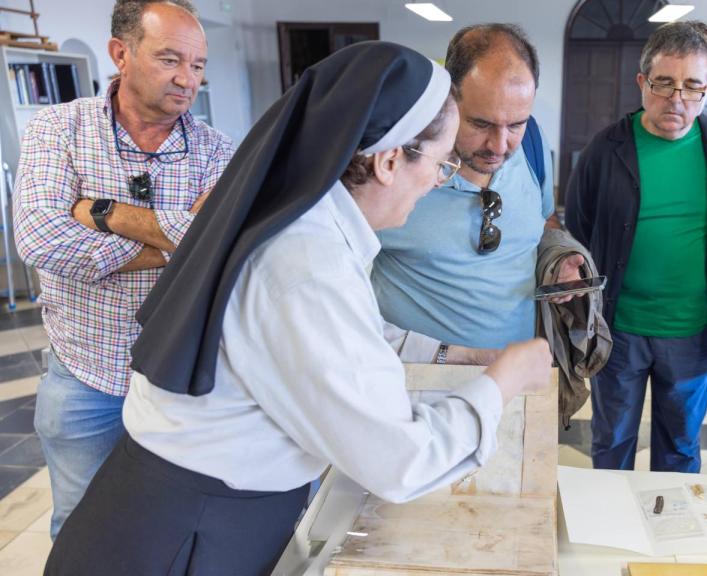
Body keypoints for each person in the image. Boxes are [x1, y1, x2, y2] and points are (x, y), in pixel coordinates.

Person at [43, 41, 552, 575]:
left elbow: (350, 335)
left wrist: (457, 353)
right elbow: (400, 460)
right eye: (443, 163)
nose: (437, 181)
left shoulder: (302, 222)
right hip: (184, 533)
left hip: (177, 508)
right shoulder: (308, 262)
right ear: (389, 160)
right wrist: (502, 383)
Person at [13, 0, 232, 538]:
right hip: (86, 376)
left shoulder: (216, 150)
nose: (188, 79)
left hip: (185, 377)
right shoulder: (59, 129)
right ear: (121, 54)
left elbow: (224, 244)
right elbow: (39, 238)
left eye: (199, 65)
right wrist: (174, 241)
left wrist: (102, 214)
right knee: (83, 528)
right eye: (170, 59)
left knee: (174, 527)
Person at [564, 21, 707, 472]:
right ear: (642, 82)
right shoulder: (604, 151)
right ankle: (610, 534)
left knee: (682, 446)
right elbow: (580, 232)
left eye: (691, 87)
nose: (677, 99)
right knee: (611, 441)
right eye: (664, 83)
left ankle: (674, 535)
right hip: (620, 329)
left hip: (692, 331)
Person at [372, 23, 584, 365]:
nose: (499, 146)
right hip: (415, 387)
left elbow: (544, 220)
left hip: (511, 379)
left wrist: (559, 256)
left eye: (516, 124)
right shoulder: (399, 165)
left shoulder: (531, 145)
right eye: (481, 124)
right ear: (449, 97)